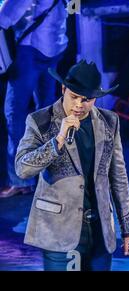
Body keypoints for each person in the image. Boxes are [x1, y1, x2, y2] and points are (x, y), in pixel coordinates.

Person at [15, 60, 129, 271]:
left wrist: (128, 229)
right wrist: (57, 141)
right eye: (74, 97)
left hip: (99, 230)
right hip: (58, 231)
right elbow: (22, 169)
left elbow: (118, 177)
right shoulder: (40, 120)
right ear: (63, 89)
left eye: (87, 100)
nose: (79, 105)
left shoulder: (109, 121)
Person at [0, 0, 68, 198]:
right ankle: (50, 175)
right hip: (56, 46)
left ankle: (20, 181)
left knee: (15, 113)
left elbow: (5, 17)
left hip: (32, 49)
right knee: (46, 113)